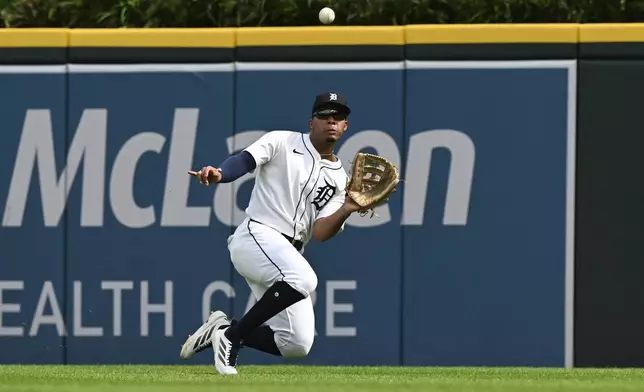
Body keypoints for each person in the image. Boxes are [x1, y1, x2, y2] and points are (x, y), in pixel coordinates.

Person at [180, 92, 365, 375]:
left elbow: (321, 232)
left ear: (345, 127)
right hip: (257, 235)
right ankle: (232, 339)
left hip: (287, 255)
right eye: (324, 115)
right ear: (311, 122)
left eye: (337, 117)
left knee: (296, 344)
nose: (331, 121)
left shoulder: (340, 179)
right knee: (304, 277)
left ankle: (223, 329)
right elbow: (243, 161)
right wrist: (219, 173)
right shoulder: (282, 141)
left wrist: (349, 208)